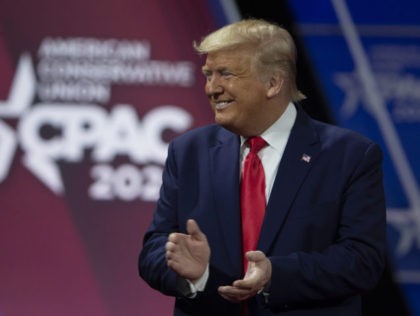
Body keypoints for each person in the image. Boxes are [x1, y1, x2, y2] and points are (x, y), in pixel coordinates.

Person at [138, 19, 386, 316]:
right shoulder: (188, 152)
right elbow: (154, 249)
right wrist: (192, 274)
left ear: (273, 83)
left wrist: (275, 274)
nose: (212, 88)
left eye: (225, 74)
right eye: (208, 75)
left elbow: (362, 261)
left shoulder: (349, 155)